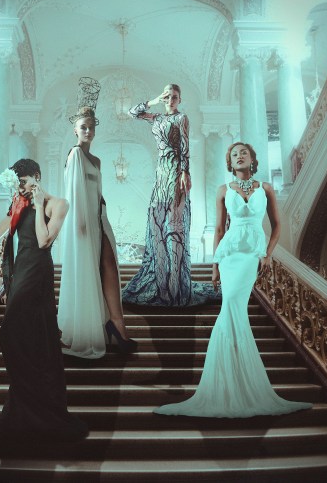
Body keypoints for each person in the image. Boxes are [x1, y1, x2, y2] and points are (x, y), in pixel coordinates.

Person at [154, 143, 312, 418]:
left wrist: (267, 253)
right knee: (231, 309)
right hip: (229, 253)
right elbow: (218, 228)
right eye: (234, 154)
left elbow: (276, 225)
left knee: (234, 310)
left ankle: (238, 380)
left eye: (244, 153)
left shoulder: (266, 188)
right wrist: (215, 264)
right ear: (230, 161)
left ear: (252, 159)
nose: (239, 156)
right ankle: (229, 382)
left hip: (252, 251)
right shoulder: (223, 190)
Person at [0, 159, 87, 442]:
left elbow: (44, 240)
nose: (20, 188)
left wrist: (36, 204)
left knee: (12, 330)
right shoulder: (19, 203)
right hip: (21, 268)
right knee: (27, 335)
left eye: (24, 182)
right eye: (17, 183)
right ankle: (26, 402)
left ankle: (41, 403)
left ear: (36, 177)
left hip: (38, 269)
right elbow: (10, 240)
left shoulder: (58, 204)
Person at [121, 83, 219, 306]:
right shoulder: (155, 118)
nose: (171, 99)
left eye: (175, 96)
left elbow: (184, 145)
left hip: (175, 171)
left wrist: (185, 172)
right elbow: (132, 113)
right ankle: (161, 285)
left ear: (179, 100)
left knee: (174, 226)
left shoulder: (181, 118)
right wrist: (155, 98)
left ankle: (175, 287)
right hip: (161, 174)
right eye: (168, 96)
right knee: (156, 225)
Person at [57, 107, 136, 357]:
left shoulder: (98, 161)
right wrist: (79, 223)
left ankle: (116, 323)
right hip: (82, 223)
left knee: (111, 266)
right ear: (75, 130)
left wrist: (101, 216)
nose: (88, 131)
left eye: (91, 127)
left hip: (99, 218)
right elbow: (73, 192)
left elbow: (98, 194)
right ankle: (101, 329)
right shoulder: (75, 155)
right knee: (91, 271)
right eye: (83, 127)